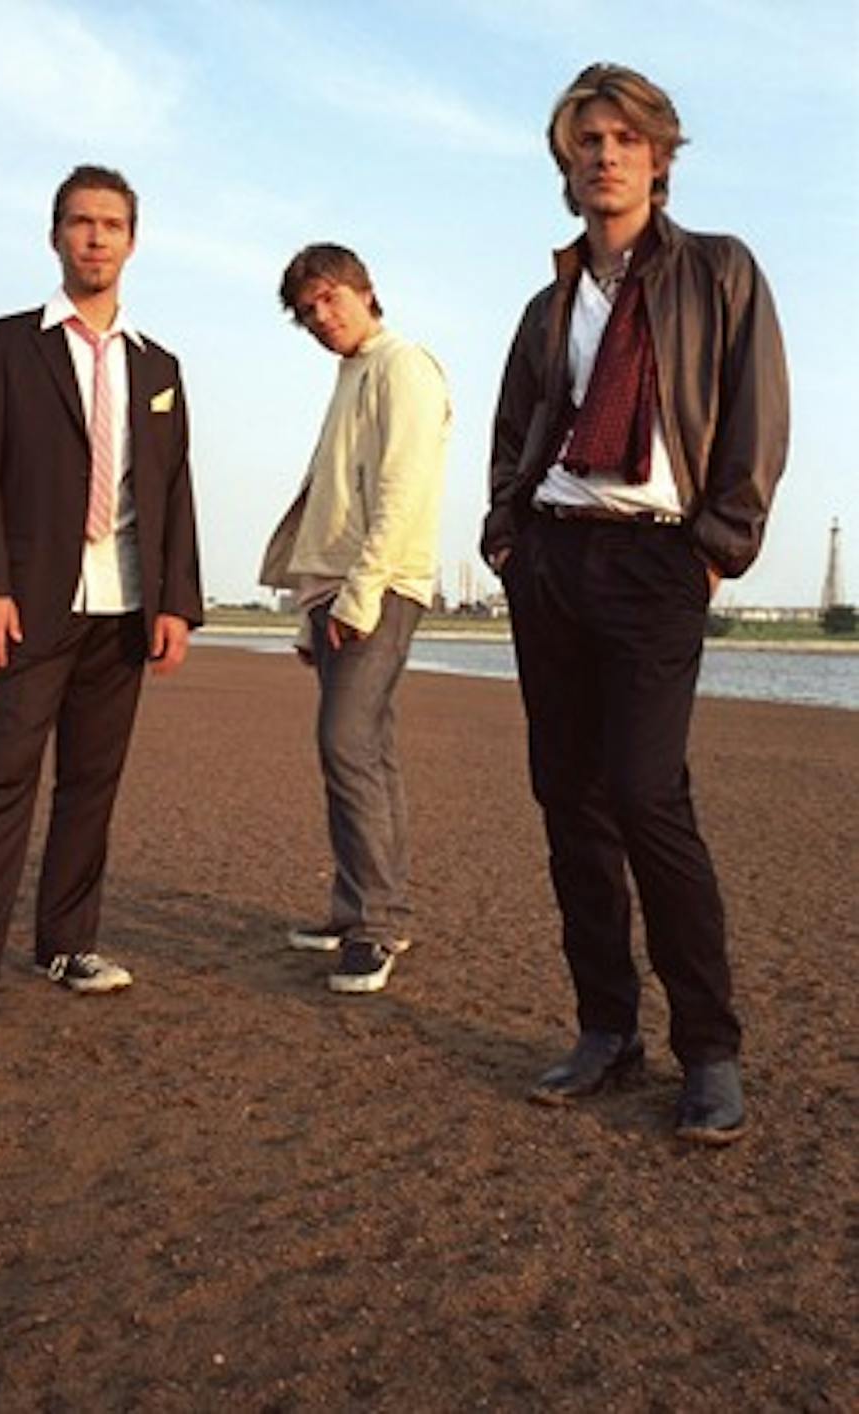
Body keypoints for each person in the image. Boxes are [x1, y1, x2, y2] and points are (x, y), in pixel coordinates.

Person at [481, 65, 788, 1143]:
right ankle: (606, 1031)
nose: (602, 154)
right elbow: (517, 425)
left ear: (658, 154)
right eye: (584, 142)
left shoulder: (718, 271)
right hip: (553, 560)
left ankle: (708, 1049)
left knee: (649, 794)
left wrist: (716, 550)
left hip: (659, 561)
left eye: (621, 137)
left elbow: (754, 416)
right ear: (565, 167)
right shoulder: (549, 301)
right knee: (568, 797)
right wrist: (507, 539)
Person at [0, 165, 203, 1039]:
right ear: (55, 235)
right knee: (1, 775)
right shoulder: (6, 345)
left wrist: (176, 602)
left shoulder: (160, 365)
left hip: (125, 605)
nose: (95, 237)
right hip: (28, 602)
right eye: (79, 222)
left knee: (92, 783)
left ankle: (68, 942)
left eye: (111, 224)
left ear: (132, 241)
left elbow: (174, 492)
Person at [260, 244, 450, 994]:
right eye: (306, 311)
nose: (320, 317)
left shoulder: (402, 364)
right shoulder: (352, 375)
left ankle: (378, 921)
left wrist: (362, 592)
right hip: (333, 590)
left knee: (347, 744)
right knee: (366, 749)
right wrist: (309, 607)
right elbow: (331, 499)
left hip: (377, 586)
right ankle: (361, 909)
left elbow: (405, 488)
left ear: (367, 290)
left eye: (329, 298)